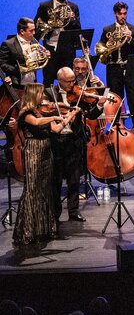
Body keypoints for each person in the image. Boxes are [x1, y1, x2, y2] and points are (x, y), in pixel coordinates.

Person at [13, 83, 78, 246]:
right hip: (33, 151)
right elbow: (36, 122)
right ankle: (28, 230)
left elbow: (56, 129)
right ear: (33, 94)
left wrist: (69, 116)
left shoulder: (42, 111)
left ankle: (44, 229)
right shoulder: (26, 112)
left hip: (46, 152)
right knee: (32, 190)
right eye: (41, 93)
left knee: (45, 190)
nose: (43, 97)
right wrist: (54, 117)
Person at [45, 67, 106, 223]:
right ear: (59, 80)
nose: (72, 84)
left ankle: (73, 211)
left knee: (74, 179)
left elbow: (91, 114)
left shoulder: (79, 94)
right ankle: (55, 212)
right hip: (57, 141)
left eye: (73, 81)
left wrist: (100, 105)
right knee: (56, 180)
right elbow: (44, 112)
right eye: (68, 81)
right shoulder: (49, 93)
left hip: (74, 140)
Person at [97, 2, 134, 135]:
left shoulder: (133, 29)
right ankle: (117, 131)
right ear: (115, 14)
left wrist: (129, 38)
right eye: (120, 14)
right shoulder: (107, 30)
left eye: (125, 13)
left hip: (129, 68)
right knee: (116, 100)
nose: (123, 16)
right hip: (114, 69)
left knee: (133, 101)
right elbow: (101, 48)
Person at [34, 0, 81, 86]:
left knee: (69, 79)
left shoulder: (73, 7)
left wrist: (72, 20)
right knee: (48, 77)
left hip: (67, 48)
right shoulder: (45, 6)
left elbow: (78, 27)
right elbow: (36, 24)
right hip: (51, 46)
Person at [0, 17, 49, 87]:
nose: (34, 33)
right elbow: (1, 64)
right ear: (22, 31)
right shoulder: (9, 44)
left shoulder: (34, 42)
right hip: (16, 85)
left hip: (32, 85)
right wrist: (18, 69)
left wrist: (44, 57)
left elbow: (36, 63)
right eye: (31, 31)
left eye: (34, 30)